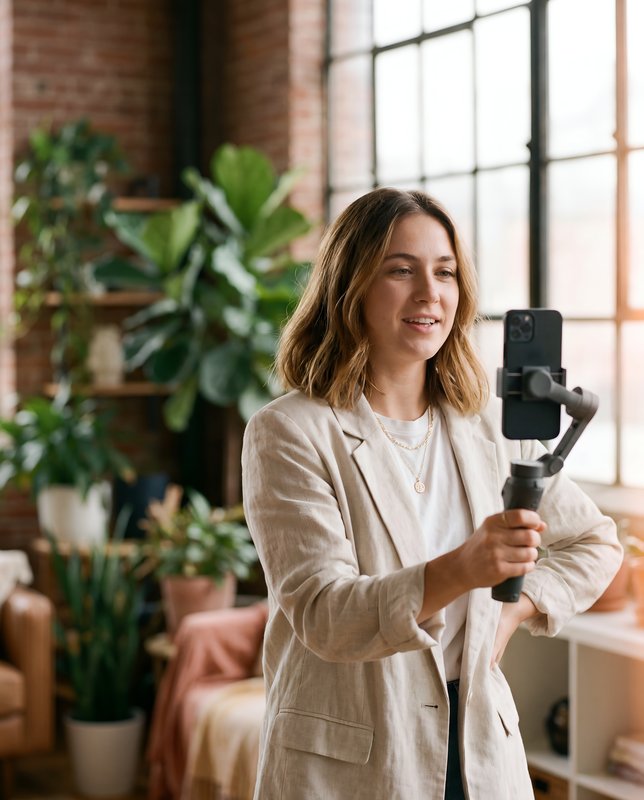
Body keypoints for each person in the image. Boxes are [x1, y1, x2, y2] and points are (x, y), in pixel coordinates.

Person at [241, 188, 621, 799]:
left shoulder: (487, 426)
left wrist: (515, 610)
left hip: (478, 751)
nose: (430, 294)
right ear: (351, 286)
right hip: (355, 763)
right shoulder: (289, 432)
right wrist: (462, 569)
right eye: (401, 270)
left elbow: (595, 543)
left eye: (444, 273)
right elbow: (324, 614)